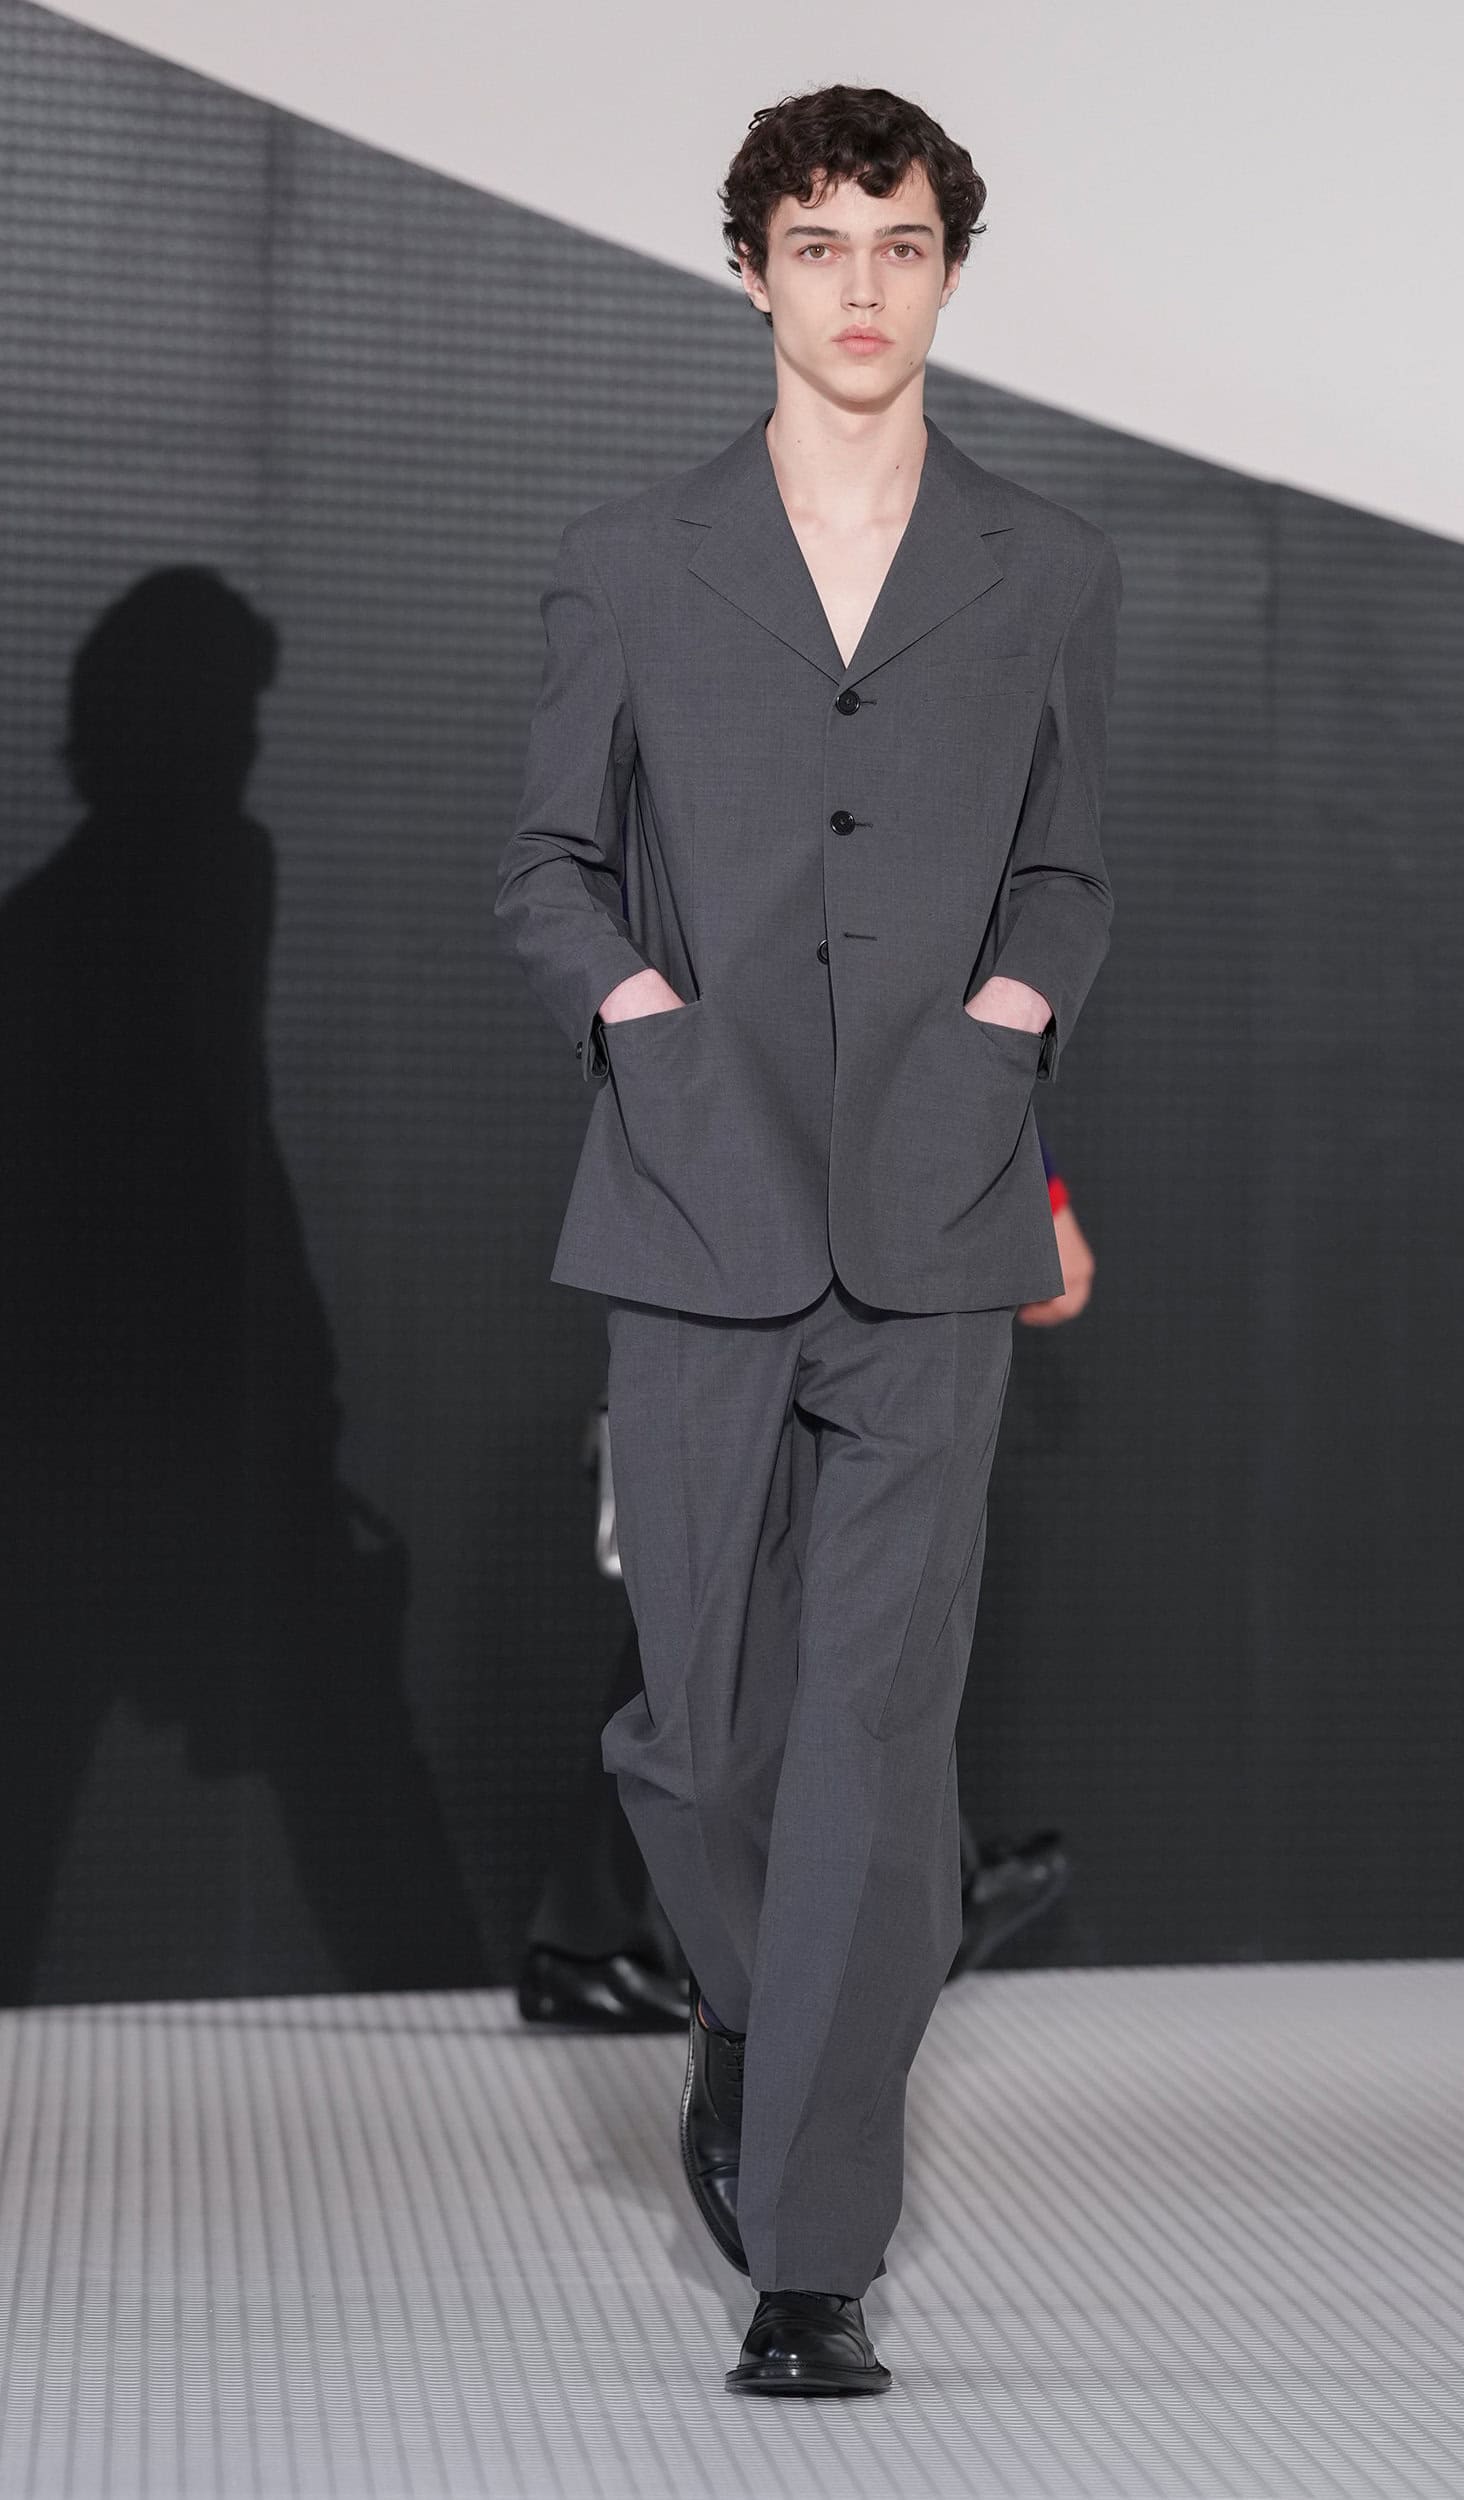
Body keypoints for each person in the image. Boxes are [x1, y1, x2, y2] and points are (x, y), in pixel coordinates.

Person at [495, 84, 1120, 2397]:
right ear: (749, 268)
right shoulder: (632, 556)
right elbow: (544, 867)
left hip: (934, 1215)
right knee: (695, 1736)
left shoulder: (1043, 563)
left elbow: (1064, 873)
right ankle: (776, 2010)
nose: (861, 285)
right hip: (690, 1198)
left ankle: (811, 2258)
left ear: (947, 269)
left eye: (901, 243)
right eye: (820, 243)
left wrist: (1001, 1043)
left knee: (872, 1727)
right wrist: (649, 1026)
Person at [518, 1137, 1092, 2033]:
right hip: (774, 1208)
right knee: (743, 1606)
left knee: (783, 1600)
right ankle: (626, 1941)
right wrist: (1036, 1184)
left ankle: (621, 1937)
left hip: (764, 1204)